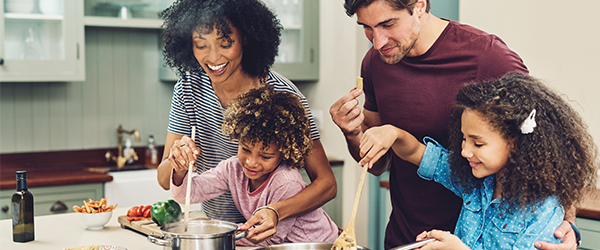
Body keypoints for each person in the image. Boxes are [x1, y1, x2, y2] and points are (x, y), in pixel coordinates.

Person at [331, 0, 578, 249]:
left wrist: (565, 227)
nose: (378, 42)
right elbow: (380, 164)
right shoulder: (375, 62)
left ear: (419, 5)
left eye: (388, 24)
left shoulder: (488, 56)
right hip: (407, 239)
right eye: (367, 27)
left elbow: (544, 143)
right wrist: (353, 133)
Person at [156, 0, 336, 243]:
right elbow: (164, 178)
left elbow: (327, 184)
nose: (213, 57)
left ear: (247, 37)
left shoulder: (283, 96)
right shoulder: (189, 89)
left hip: (265, 236)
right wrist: (176, 160)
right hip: (219, 230)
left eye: (226, 42)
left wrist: (275, 211)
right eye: (201, 45)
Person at [365, 72, 598, 249]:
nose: (465, 151)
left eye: (477, 143)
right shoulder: (474, 180)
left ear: (515, 142)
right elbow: (418, 152)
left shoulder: (543, 211)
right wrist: (392, 133)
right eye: (463, 139)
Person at [170, 86, 339, 246]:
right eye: (245, 149)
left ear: (284, 152)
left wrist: (213, 229)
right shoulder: (233, 169)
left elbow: (268, 238)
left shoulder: (286, 182)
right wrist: (180, 169)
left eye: (265, 156)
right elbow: (187, 194)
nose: (251, 162)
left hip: (320, 244)